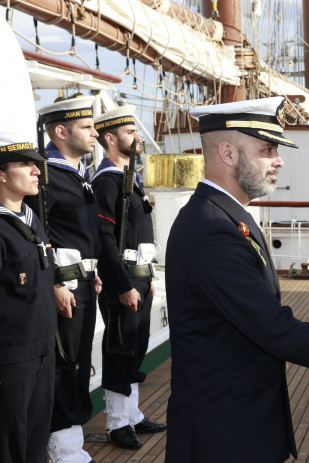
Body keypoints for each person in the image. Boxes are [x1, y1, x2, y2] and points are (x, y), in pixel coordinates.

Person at [164, 96, 309, 463]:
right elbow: (272, 327)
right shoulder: (212, 229)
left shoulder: (224, 217)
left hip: (239, 423)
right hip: (222, 434)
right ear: (227, 153)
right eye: (267, 149)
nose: (278, 161)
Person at [31, 96, 102, 463]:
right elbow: (37, 233)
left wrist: (94, 270)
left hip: (85, 283)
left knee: (79, 361)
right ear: (61, 131)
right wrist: (55, 284)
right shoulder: (45, 175)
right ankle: (61, 449)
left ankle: (72, 444)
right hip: (65, 288)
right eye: (87, 127)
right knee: (65, 365)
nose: (95, 133)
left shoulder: (77, 175)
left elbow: (80, 232)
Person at [91, 105, 166, 450]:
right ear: (110, 138)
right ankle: (118, 423)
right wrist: (121, 286)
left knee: (135, 349)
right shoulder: (106, 181)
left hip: (139, 278)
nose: (138, 136)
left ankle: (132, 414)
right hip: (123, 282)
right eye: (130, 132)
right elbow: (104, 241)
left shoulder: (127, 181)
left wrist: (144, 277)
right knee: (120, 350)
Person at [0, 18, 57, 461]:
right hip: (10, 358)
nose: (38, 170)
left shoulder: (30, 221)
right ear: (2, 173)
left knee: (36, 441)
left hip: (42, 348)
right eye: (27, 164)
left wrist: (56, 285)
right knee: (10, 443)